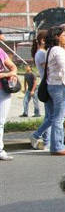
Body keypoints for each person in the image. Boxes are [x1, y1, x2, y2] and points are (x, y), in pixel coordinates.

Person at [32, 27, 65, 156]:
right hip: (60, 85)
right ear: (57, 37)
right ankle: (57, 147)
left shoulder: (51, 50)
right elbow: (64, 67)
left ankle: (56, 145)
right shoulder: (57, 50)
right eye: (63, 35)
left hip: (52, 85)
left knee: (54, 117)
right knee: (59, 117)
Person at [0, 29, 18, 161]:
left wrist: (10, 74)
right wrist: (8, 74)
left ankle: (0, 150)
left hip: (3, 90)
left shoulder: (1, 52)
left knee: (0, 121)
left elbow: (13, 67)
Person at [30, 30, 49, 150]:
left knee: (50, 116)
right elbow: (48, 69)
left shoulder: (40, 52)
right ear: (43, 40)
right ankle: (41, 138)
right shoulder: (41, 53)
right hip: (46, 84)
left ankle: (47, 141)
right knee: (51, 116)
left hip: (45, 84)